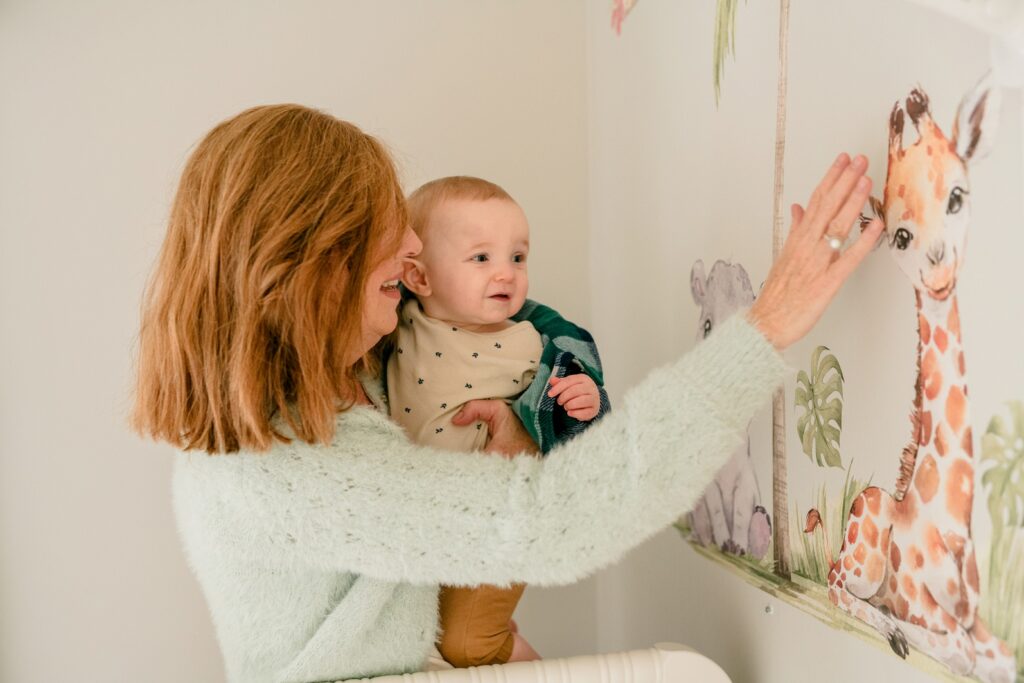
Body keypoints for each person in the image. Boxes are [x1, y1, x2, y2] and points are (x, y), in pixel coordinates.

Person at [131, 104, 883, 683]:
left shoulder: (345, 391)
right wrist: (763, 329)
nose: (413, 247)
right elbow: (552, 520)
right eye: (384, 228)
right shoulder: (282, 466)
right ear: (313, 266)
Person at [389, 175, 609, 667]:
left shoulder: (534, 344)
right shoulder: (400, 323)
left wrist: (586, 400)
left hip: (504, 524)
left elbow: (578, 438)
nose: (506, 274)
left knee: (469, 643)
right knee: (427, 631)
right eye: (481, 258)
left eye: (518, 257)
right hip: (435, 523)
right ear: (419, 279)